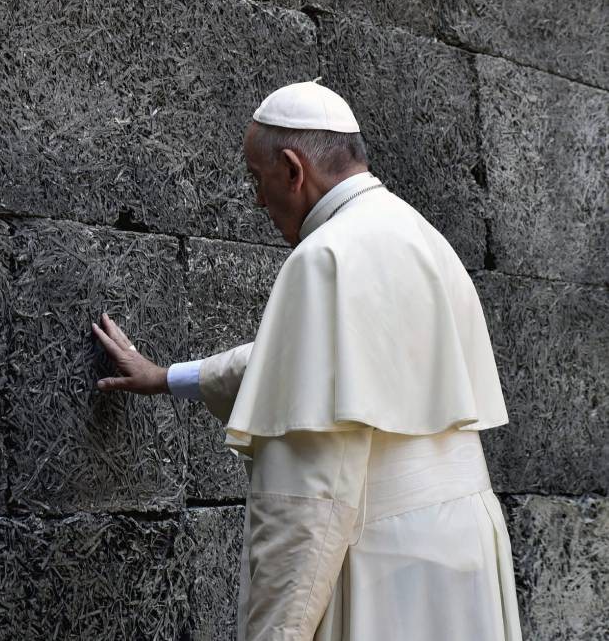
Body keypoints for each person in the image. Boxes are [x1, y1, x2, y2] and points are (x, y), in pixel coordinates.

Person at [91, 81, 522, 641]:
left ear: (293, 170)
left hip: (386, 570)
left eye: (257, 179)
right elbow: (306, 367)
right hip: (466, 553)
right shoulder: (420, 237)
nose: (257, 201)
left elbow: (307, 496)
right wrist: (167, 378)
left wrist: (277, 630)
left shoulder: (324, 256)